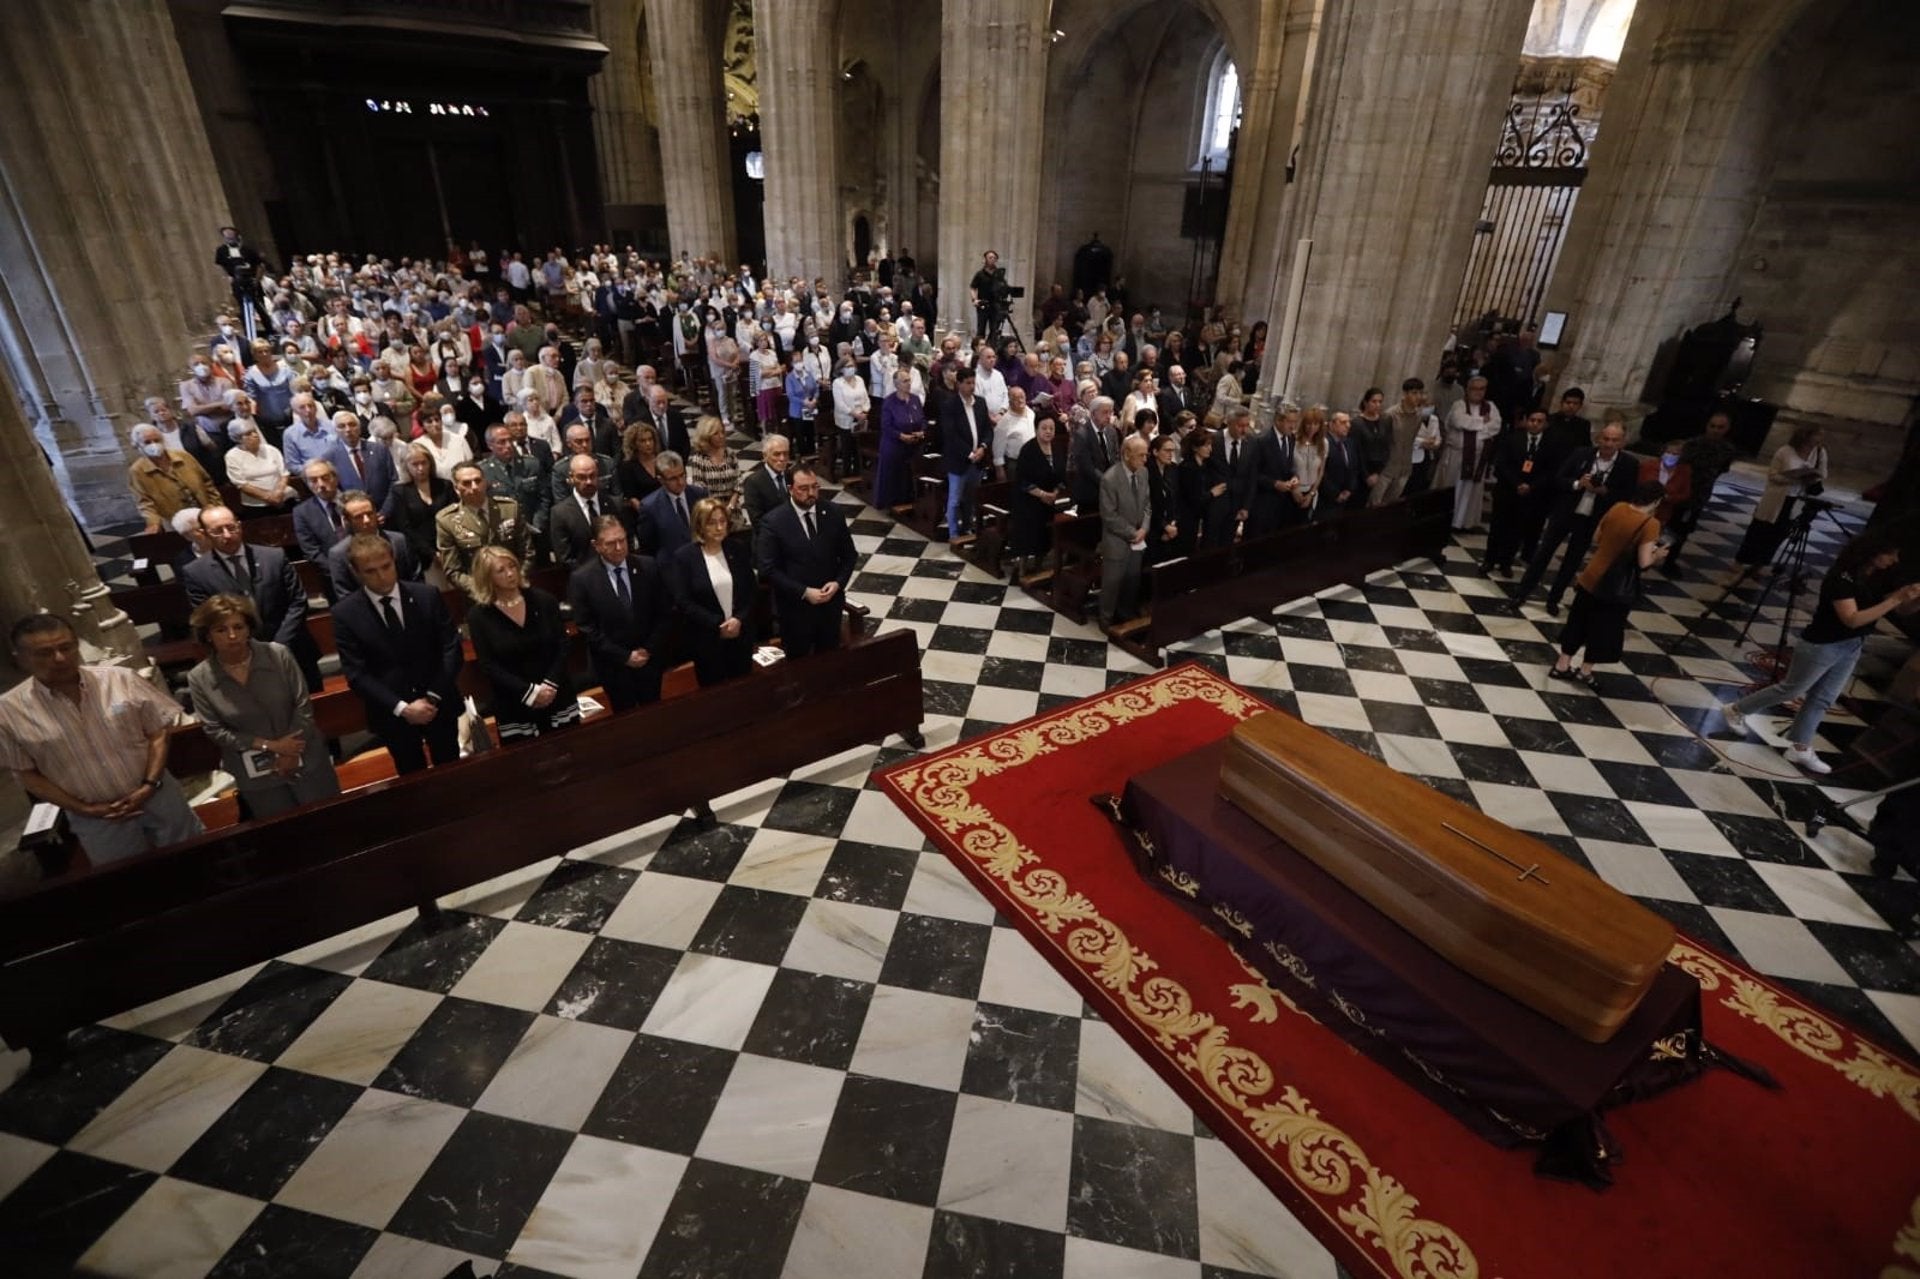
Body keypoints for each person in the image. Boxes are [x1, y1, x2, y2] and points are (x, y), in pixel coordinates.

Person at [0, 614, 203, 864]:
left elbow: (158, 732)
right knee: (128, 880)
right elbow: (27, 775)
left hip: (158, 795)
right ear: (20, 658)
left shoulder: (120, 679)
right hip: (97, 817)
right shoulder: (8, 712)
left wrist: (149, 785)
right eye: (44, 653)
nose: (59, 658)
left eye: (66, 647)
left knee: (193, 858)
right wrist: (84, 809)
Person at [1721, 536, 1920, 774]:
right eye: (1890, 554)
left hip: (1852, 645)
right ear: (1873, 551)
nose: (1894, 560)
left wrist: (1910, 600)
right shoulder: (1841, 577)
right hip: (1822, 644)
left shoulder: (1878, 578)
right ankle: (1736, 709)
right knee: (1792, 689)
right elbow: (1852, 619)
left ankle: (1800, 746)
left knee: (1824, 697)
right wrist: (1896, 599)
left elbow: (1899, 609)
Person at [185, 594, 340, 820]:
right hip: (256, 773)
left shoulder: (278, 654)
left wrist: (290, 751)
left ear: (249, 628)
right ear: (207, 635)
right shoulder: (199, 677)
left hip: (305, 755)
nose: (232, 636)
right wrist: (272, 746)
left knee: (331, 819)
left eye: (238, 627)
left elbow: (302, 706)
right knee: (282, 833)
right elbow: (214, 729)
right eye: (221, 630)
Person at [333, 534, 465, 774]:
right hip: (391, 712)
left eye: (386, 566)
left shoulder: (427, 595)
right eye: (370, 571)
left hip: (439, 701)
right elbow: (356, 674)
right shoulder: (345, 614)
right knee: (410, 777)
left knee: (451, 771)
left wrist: (432, 697)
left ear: (394, 560)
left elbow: (451, 649)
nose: (382, 576)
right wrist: (403, 708)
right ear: (355, 571)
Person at [184, 504, 324, 689]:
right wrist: (251, 648)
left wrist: (279, 645)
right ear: (205, 533)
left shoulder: (273, 557)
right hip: (241, 658)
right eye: (218, 531)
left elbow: (297, 601)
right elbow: (208, 618)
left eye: (231, 527)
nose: (227, 535)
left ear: (239, 526)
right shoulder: (196, 573)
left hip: (293, 648)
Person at [1549, 481, 1670, 690]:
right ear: (1656, 500)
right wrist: (1657, 555)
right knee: (1603, 628)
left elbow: (1597, 537)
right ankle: (1586, 671)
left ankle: (1562, 664)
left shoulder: (1617, 507)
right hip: (1614, 586)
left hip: (1591, 575)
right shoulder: (1651, 524)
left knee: (1577, 620)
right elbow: (1643, 562)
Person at [1512, 421, 1636, 615]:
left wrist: (1604, 491)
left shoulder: (1628, 464)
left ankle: (1554, 599)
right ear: (1599, 438)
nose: (1609, 444)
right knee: (1543, 553)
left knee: (1572, 561)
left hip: (1592, 519)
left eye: (1614, 440)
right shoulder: (1581, 454)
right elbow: (1559, 478)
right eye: (1606, 438)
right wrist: (1578, 484)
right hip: (1566, 512)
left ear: (1622, 442)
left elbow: (1627, 495)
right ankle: (1522, 592)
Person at [466, 546, 582, 742]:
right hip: (515, 703)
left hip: (556, 695)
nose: (510, 573)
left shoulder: (544, 601)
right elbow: (489, 665)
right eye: (500, 570)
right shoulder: (479, 616)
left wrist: (549, 685)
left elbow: (562, 645)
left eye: (512, 566)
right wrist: (530, 692)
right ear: (486, 577)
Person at [569, 514, 673, 711]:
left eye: (622, 540)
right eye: (610, 543)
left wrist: (648, 649)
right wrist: (625, 656)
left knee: (655, 714)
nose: (619, 548)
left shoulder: (648, 566)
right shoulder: (582, 579)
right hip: (613, 666)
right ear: (596, 545)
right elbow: (587, 628)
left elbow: (664, 613)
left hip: (649, 661)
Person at [757, 463, 857, 657]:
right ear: (790, 490)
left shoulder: (833, 512)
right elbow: (767, 569)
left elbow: (849, 555)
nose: (811, 493)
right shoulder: (774, 522)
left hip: (830, 607)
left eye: (815, 487)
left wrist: (838, 583)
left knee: (829, 661)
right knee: (799, 665)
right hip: (796, 610)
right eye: (804, 488)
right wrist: (804, 592)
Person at [669, 497, 758, 686]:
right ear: (699, 526)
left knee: (743, 688)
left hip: (740, 635)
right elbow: (683, 601)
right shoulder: (685, 557)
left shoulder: (737, 549)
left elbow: (750, 589)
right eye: (712, 523)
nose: (719, 528)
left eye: (722, 522)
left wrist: (739, 619)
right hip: (707, 639)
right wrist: (718, 624)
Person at [1482, 409, 1566, 578]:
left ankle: (1506, 562)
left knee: (1517, 530)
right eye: (1532, 420)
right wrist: (1518, 483)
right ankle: (1489, 560)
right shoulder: (1512, 438)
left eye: (1539, 421)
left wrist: (1531, 486)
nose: (1535, 424)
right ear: (1527, 421)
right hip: (1508, 490)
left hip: (1532, 495)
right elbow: (1502, 465)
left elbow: (1551, 470)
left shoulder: (1552, 444)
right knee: (1498, 527)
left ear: (1546, 424)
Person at [1736, 425, 1829, 568]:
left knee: (1779, 533)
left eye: (1821, 435)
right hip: (1776, 498)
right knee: (1759, 530)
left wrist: (1812, 477)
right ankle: (1740, 562)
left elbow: (1822, 473)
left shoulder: (1820, 453)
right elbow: (1773, 476)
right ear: (1805, 435)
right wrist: (1795, 477)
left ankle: (1759, 565)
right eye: (1817, 435)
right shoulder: (1785, 451)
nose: (1819, 439)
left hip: (1797, 499)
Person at [437, 461, 530, 597]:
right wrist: (484, 589)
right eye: (466, 483)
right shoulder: (447, 521)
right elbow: (453, 571)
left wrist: (515, 579)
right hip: (478, 595)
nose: (474, 487)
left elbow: (527, 552)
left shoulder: (509, 508)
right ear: (456, 488)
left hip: (515, 588)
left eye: (478, 481)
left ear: (485, 482)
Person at [1664, 412, 1739, 575]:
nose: (1715, 430)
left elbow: (1721, 470)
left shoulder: (1727, 450)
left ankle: (1670, 560)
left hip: (1699, 496)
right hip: (1679, 491)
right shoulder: (1692, 445)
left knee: (1683, 531)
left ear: (1727, 429)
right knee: (1666, 524)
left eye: (1720, 427)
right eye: (1712, 426)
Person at [1098, 435, 1152, 627]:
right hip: (1117, 540)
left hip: (1138, 538)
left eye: (1146, 455)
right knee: (1112, 583)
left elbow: (1147, 504)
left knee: (1132, 581)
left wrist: (1144, 528)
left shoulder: (1144, 472)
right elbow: (1109, 515)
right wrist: (1132, 532)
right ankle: (1105, 620)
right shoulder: (1110, 479)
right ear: (1127, 454)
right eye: (1141, 455)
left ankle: (1125, 616)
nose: (1145, 460)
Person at [324, 490, 419, 599]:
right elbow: (346, 595)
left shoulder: (398, 541)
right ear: (347, 521)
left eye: (370, 514)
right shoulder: (339, 554)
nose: (367, 520)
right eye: (358, 517)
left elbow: (415, 579)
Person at [128, 423, 220, 534]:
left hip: (204, 512)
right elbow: (144, 503)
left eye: (157, 440)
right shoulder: (137, 471)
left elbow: (207, 482)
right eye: (147, 442)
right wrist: (153, 523)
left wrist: (217, 506)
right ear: (138, 445)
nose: (153, 445)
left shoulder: (184, 457)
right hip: (174, 521)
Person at [1439, 376, 1502, 531]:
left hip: (1477, 458)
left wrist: (1475, 429)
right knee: (1452, 488)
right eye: (1474, 388)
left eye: (1482, 389)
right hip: (1456, 455)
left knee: (1469, 490)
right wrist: (1482, 422)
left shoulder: (1491, 407)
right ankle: (1446, 520)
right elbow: (1459, 421)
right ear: (1468, 389)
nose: (1478, 392)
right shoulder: (1459, 405)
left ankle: (1462, 522)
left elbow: (1495, 426)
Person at [382, 444, 455, 576]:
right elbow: (406, 527)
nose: (420, 468)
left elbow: (455, 518)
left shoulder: (445, 485)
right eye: (415, 464)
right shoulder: (400, 491)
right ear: (406, 466)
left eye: (424, 463)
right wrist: (432, 554)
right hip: (421, 555)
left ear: (430, 463)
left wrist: (447, 550)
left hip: (451, 549)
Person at [940, 366, 994, 540]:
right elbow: (951, 434)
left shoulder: (980, 402)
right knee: (955, 500)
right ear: (959, 384)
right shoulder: (950, 405)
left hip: (978, 460)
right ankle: (954, 533)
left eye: (973, 383)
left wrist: (983, 447)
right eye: (968, 383)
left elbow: (988, 429)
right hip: (959, 460)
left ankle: (968, 527)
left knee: (971, 497)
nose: (972, 386)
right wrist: (970, 453)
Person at [1011, 414, 1067, 577]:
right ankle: (1022, 567)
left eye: (1051, 428)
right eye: (1044, 428)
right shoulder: (1028, 449)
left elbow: (1061, 475)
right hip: (1028, 500)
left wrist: (1055, 492)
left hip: (1049, 500)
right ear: (1036, 429)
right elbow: (1022, 479)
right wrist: (1042, 494)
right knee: (1027, 533)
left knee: (1045, 533)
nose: (1048, 432)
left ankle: (1038, 566)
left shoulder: (1057, 448)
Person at [636, 451, 711, 558]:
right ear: (661, 480)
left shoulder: (700, 495)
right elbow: (648, 547)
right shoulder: (649, 507)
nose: (680, 482)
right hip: (672, 567)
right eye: (673, 479)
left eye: (682, 475)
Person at [874, 368, 927, 511]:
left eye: (909, 380)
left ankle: (913, 498)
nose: (908, 383)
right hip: (895, 444)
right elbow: (886, 426)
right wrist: (901, 436)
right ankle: (893, 501)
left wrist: (921, 431)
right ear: (896, 384)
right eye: (905, 381)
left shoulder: (915, 399)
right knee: (895, 470)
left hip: (914, 444)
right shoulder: (889, 402)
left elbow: (922, 419)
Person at [686, 415, 747, 532]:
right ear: (706, 436)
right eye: (716, 434)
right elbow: (700, 488)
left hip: (733, 511)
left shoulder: (729, 453)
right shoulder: (699, 459)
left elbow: (739, 481)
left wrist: (731, 505)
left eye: (722, 432)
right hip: (711, 512)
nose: (721, 436)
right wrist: (718, 509)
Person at [224, 418, 295, 514]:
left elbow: (284, 474)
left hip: (283, 497)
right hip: (256, 505)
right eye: (248, 434)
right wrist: (269, 497)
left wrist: (278, 493)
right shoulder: (232, 456)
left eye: (254, 431)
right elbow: (241, 484)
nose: (255, 435)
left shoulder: (271, 449)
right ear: (239, 439)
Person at [1180, 427, 1232, 547]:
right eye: (1206, 445)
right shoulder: (1187, 468)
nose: (1210, 449)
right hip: (1187, 518)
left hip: (1199, 517)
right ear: (1195, 448)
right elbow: (1193, 498)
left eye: (1210, 445)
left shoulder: (1206, 465)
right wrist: (1212, 493)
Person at [293, 459, 350, 563]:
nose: (321, 485)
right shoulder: (302, 513)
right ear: (307, 484)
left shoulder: (353, 500)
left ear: (336, 478)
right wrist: (337, 571)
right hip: (332, 572)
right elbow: (311, 551)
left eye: (325, 478)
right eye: (313, 480)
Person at [829, 360, 871, 480]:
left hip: (861, 418)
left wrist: (865, 411)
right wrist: (854, 414)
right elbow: (840, 403)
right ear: (841, 369)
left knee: (859, 446)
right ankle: (846, 473)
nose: (850, 368)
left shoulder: (859, 380)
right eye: (847, 366)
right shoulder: (838, 383)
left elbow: (866, 398)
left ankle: (858, 471)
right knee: (847, 447)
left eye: (852, 366)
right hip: (846, 419)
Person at [1637, 436, 1693, 524]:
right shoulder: (1648, 466)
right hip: (1640, 510)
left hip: (1663, 515)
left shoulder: (1684, 471)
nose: (1670, 455)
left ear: (1682, 456)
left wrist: (1669, 498)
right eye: (1668, 452)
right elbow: (1637, 485)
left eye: (1675, 454)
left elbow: (1685, 494)